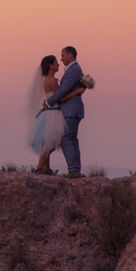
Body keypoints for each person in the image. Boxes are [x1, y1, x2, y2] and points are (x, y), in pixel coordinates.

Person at [28, 54, 84, 174]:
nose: (58, 64)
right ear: (50, 65)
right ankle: (39, 168)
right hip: (53, 113)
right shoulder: (51, 80)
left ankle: (45, 169)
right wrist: (77, 92)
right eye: (55, 63)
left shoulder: (47, 79)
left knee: (48, 142)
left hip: (49, 113)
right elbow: (61, 98)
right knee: (52, 143)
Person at [45, 45, 86, 177]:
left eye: (62, 55)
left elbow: (63, 91)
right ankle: (75, 170)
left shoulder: (74, 70)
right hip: (72, 110)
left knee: (66, 139)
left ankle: (73, 170)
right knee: (72, 139)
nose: (61, 59)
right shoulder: (74, 69)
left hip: (71, 110)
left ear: (70, 55)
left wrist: (48, 102)